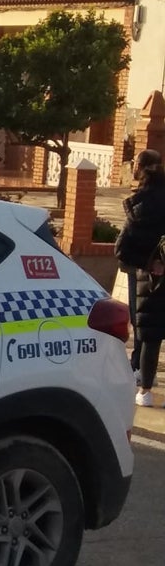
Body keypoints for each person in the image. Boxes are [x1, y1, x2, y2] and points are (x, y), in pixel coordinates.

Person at [121, 149, 165, 390]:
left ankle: (142, 373)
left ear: (142, 167)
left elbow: (122, 249)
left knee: (144, 326)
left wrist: (149, 263)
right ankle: (145, 373)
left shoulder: (141, 202)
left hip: (143, 274)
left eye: (136, 163)